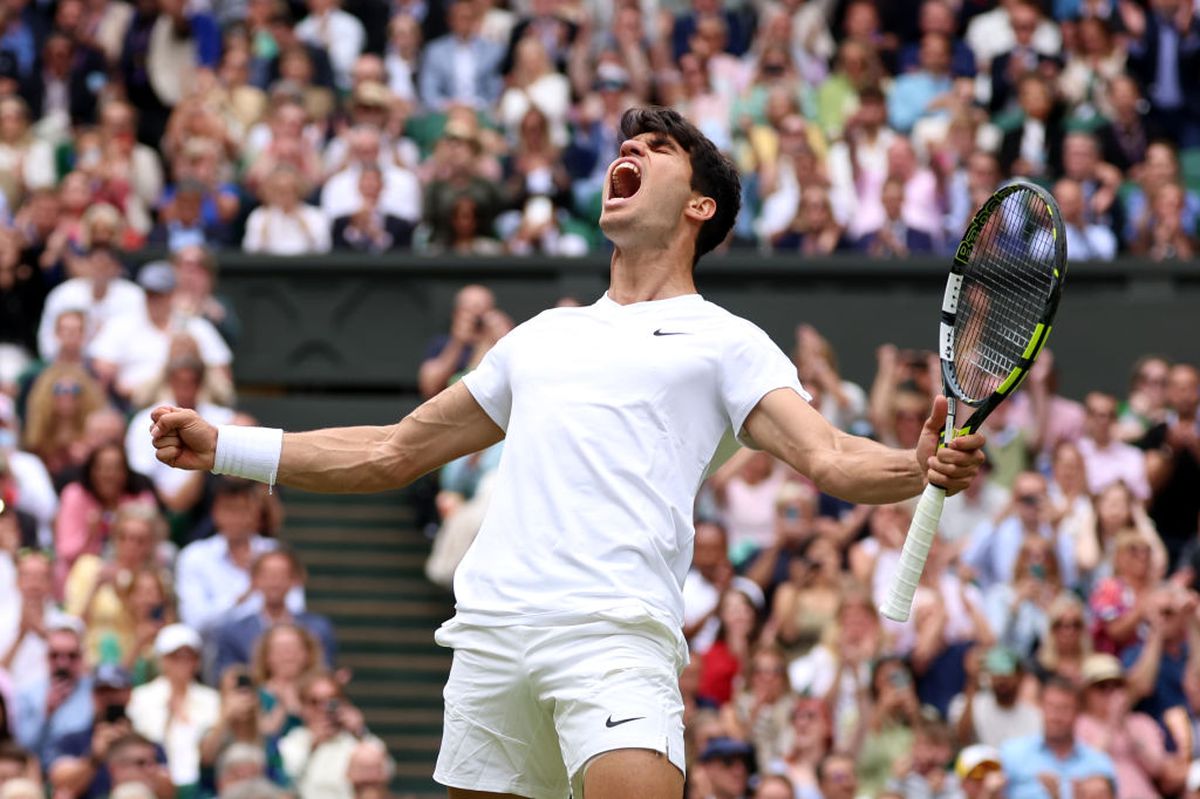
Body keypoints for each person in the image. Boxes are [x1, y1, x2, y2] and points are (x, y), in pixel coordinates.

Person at [149, 106, 987, 799]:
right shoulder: (540, 337)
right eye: (629, 143)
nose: (632, 150)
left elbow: (833, 457)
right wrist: (226, 446)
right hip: (492, 639)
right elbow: (392, 449)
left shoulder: (729, 344)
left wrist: (916, 467)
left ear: (701, 207)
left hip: (614, 639)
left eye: (659, 150)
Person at [1000, 677, 1116, 799]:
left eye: (1064, 708)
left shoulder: (1099, 764)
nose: (1056, 716)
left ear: (1078, 712)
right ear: (1040, 707)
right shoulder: (1012, 753)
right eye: (1051, 707)